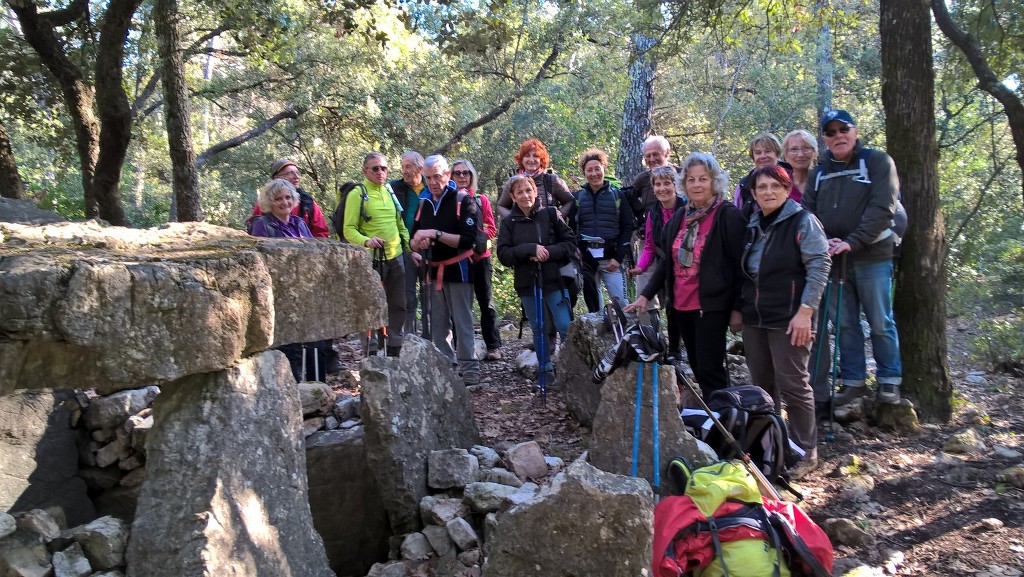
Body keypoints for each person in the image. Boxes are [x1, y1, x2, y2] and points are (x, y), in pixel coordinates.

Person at [803, 109, 903, 406]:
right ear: (825, 138)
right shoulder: (818, 173)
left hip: (873, 256)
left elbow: (883, 208)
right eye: (830, 132)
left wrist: (852, 241)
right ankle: (854, 382)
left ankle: (889, 380)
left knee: (880, 321)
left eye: (843, 129)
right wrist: (824, 242)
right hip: (833, 261)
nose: (838, 136)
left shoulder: (877, 162)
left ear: (854, 131)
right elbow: (807, 212)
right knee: (845, 324)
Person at [625, 153, 746, 396]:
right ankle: (715, 420)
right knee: (699, 367)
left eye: (703, 179)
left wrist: (738, 309)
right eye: (691, 179)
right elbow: (667, 262)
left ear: (714, 181)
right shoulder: (681, 216)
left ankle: (724, 422)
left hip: (711, 306)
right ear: (685, 184)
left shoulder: (727, 215)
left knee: (711, 369)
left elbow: (740, 268)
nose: (697, 184)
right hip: (681, 304)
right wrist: (646, 295)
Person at [740, 165, 831, 474]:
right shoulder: (752, 224)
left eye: (774, 186)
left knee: (794, 384)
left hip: (790, 318)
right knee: (762, 387)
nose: (768, 192)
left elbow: (819, 265)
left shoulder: (803, 221)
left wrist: (806, 312)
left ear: (787, 187)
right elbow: (747, 272)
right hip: (756, 318)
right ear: (752, 194)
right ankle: (772, 445)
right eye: (761, 187)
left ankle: (806, 452)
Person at [251, 159, 339, 372]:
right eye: (279, 199)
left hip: (305, 290)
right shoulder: (262, 226)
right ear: (269, 202)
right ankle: (293, 387)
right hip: (280, 294)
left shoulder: (299, 223)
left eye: (288, 197)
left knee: (312, 340)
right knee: (289, 345)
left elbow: (313, 251)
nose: (284, 202)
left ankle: (316, 385)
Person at [496, 175, 576, 387]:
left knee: (564, 325)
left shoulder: (550, 214)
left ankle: (573, 369)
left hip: (554, 279)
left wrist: (547, 252)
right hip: (526, 282)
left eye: (528, 190)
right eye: (520, 192)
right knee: (539, 327)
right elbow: (503, 255)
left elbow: (570, 244)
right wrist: (528, 250)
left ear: (536, 191)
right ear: (512, 196)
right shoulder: (508, 223)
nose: (525, 196)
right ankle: (545, 370)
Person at [410, 155, 482, 385]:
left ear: (447, 176)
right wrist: (418, 243)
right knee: (438, 321)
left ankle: (469, 368)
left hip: (459, 269)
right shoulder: (424, 204)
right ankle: (444, 365)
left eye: (437, 176)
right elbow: (413, 237)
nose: (432, 182)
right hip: (432, 270)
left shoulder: (463, 200)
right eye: (428, 177)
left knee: (462, 320)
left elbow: (468, 240)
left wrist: (435, 234)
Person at [343, 153, 409, 357]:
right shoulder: (357, 194)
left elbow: (400, 224)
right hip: (370, 259)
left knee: (398, 303)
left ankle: (394, 347)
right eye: (375, 168)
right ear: (365, 171)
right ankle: (370, 350)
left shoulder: (389, 191)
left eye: (384, 168)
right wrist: (366, 240)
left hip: (395, 256)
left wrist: (410, 249)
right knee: (370, 304)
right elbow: (349, 229)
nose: (380, 172)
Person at [627, 165, 686, 359]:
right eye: (658, 184)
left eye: (667, 183)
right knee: (670, 305)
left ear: (675, 185)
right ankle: (671, 349)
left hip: (686, 264)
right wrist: (641, 267)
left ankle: (680, 348)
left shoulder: (686, 207)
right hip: (665, 263)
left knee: (681, 305)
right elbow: (650, 246)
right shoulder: (653, 213)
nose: (662, 188)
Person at [570, 148, 635, 312]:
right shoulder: (578, 198)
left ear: (604, 169)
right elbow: (570, 228)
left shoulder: (617, 196)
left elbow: (628, 226)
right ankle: (598, 337)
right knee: (594, 309)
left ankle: (624, 337)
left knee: (622, 305)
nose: (594, 173)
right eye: (589, 170)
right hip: (587, 260)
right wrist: (577, 252)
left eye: (597, 168)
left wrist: (619, 257)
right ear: (584, 172)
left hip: (611, 258)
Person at [451, 158, 503, 361]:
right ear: (451, 176)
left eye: (466, 173)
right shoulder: (449, 200)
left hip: (481, 258)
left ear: (472, 176)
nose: (462, 176)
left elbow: (492, 227)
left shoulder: (481, 199)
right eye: (458, 173)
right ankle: (459, 347)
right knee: (459, 305)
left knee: (486, 303)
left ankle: (493, 345)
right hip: (457, 259)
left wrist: (478, 236)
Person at [390, 151, 427, 337]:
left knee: (431, 297)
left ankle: (434, 340)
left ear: (420, 169)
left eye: (408, 166)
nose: (403, 170)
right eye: (402, 166)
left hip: (431, 250)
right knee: (407, 297)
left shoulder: (432, 185)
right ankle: (407, 339)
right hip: (405, 249)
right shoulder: (394, 188)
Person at [495, 138, 575, 219]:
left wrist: (557, 217)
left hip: (549, 230)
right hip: (522, 230)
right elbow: (501, 206)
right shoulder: (513, 182)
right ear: (521, 159)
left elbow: (570, 201)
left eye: (536, 156)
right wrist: (514, 220)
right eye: (527, 156)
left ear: (541, 160)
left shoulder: (552, 180)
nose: (531, 160)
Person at [251, 159, 330, 238]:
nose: (296, 176)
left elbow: (321, 232)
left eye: (297, 173)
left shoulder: (307, 203)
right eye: (290, 173)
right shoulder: (262, 209)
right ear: (277, 178)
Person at [732, 132, 802, 219]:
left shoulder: (793, 178)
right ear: (753, 157)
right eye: (758, 153)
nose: (763, 156)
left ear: (777, 154)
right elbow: (738, 217)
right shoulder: (744, 185)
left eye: (768, 151)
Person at [782, 129, 819, 194]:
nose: (800, 155)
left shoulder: (824, 181)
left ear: (815, 152)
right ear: (786, 155)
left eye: (806, 148)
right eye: (794, 149)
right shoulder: (781, 184)